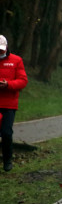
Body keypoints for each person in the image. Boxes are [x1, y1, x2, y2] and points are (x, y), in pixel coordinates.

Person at [0, 35, 28, 172]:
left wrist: (8, 85)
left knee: (6, 132)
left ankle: (7, 160)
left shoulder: (16, 60)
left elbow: (23, 80)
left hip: (9, 104)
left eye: (2, 50)